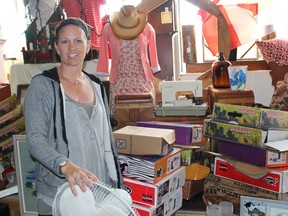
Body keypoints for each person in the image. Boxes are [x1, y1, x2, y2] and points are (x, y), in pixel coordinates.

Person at [24, 17, 123, 216]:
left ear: (88, 46)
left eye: (78, 40)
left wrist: (116, 181)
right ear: (57, 47)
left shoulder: (97, 85)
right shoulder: (42, 85)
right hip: (60, 195)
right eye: (65, 41)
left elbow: (106, 141)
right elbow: (35, 141)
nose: (72, 47)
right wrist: (64, 165)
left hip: (98, 193)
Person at [96, 5, 161, 115]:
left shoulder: (147, 28)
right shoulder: (109, 28)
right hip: (119, 81)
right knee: (120, 116)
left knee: (146, 114)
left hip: (142, 81)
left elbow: (153, 50)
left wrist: (154, 66)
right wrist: (103, 70)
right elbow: (103, 51)